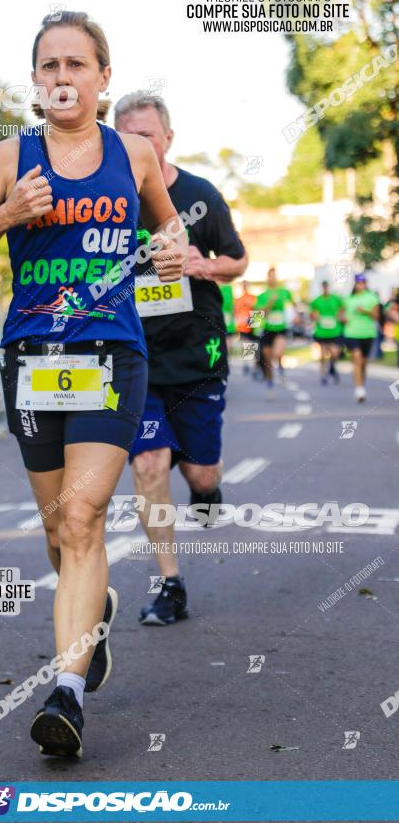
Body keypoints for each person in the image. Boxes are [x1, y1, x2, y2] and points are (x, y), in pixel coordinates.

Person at [0, 12, 187, 758]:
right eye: (48, 66)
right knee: (57, 530)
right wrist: (9, 213)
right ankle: (94, 615)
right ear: (36, 81)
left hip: (112, 355)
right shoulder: (8, 156)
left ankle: (66, 693)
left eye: (76, 65)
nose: (61, 78)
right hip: (31, 358)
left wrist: (171, 255)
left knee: (81, 517)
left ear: (103, 78)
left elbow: (170, 231)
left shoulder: (135, 154)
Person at [114, 91, 247, 626]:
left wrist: (203, 266)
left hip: (196, 354)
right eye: (126, 136)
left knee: (199, 470)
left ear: (167, 138)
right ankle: (171, 584)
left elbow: (239, 261)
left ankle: (208, 489)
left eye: (145, 135)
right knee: (149, 465)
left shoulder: (200, 194)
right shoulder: (108, 200)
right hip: (135, 357)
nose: (136, 144)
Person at [255, 267, 296, 397]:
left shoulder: (284, 292)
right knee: (267, 358)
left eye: (274, 276)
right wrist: (270, 302)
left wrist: (296, 315)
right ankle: (270, 382)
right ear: (267, 278)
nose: (272, 278)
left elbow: (293, 303)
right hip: (268, 329)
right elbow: (260, 314)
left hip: (281, 329)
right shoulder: (262, 295)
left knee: (277, 353)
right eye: (270, 276)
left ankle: (281, 370)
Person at [341, 273, 379, 402]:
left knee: (363, 363)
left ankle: (361, 383)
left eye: (363, 283)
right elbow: (340, 315)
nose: (361, 285)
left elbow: (377, 317)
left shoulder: (372, 298)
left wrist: (365, 312)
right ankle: (359, 389)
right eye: (358, 283)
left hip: (367, 333)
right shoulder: (347, 299)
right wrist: (343, 319)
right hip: (351, 333)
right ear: (355, 284)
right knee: (357, 358)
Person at [310, 280, 343, 384]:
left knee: (335, 353)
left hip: (335, 331)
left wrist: (340, 316)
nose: (325, 289)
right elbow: (312, 314)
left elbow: (342, 310)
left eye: (327, 287)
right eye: (324, 287)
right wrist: (315, 316)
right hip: (322, 332)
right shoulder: (317, 301)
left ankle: (332, 367)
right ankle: (323, 375)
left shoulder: (336, 299)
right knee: (323, 354)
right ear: (322, 288)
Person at [235, 280, 258, 376]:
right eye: (243, 285)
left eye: (246, 285)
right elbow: (236, 312)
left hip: (253, 323)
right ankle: (247, 365)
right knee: (246, 345)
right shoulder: (238, 299)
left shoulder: (254, 297)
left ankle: (254, 366)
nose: (244, 287)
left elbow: (258, 310)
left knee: (254, 345)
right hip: (243, 326)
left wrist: (256, 325)